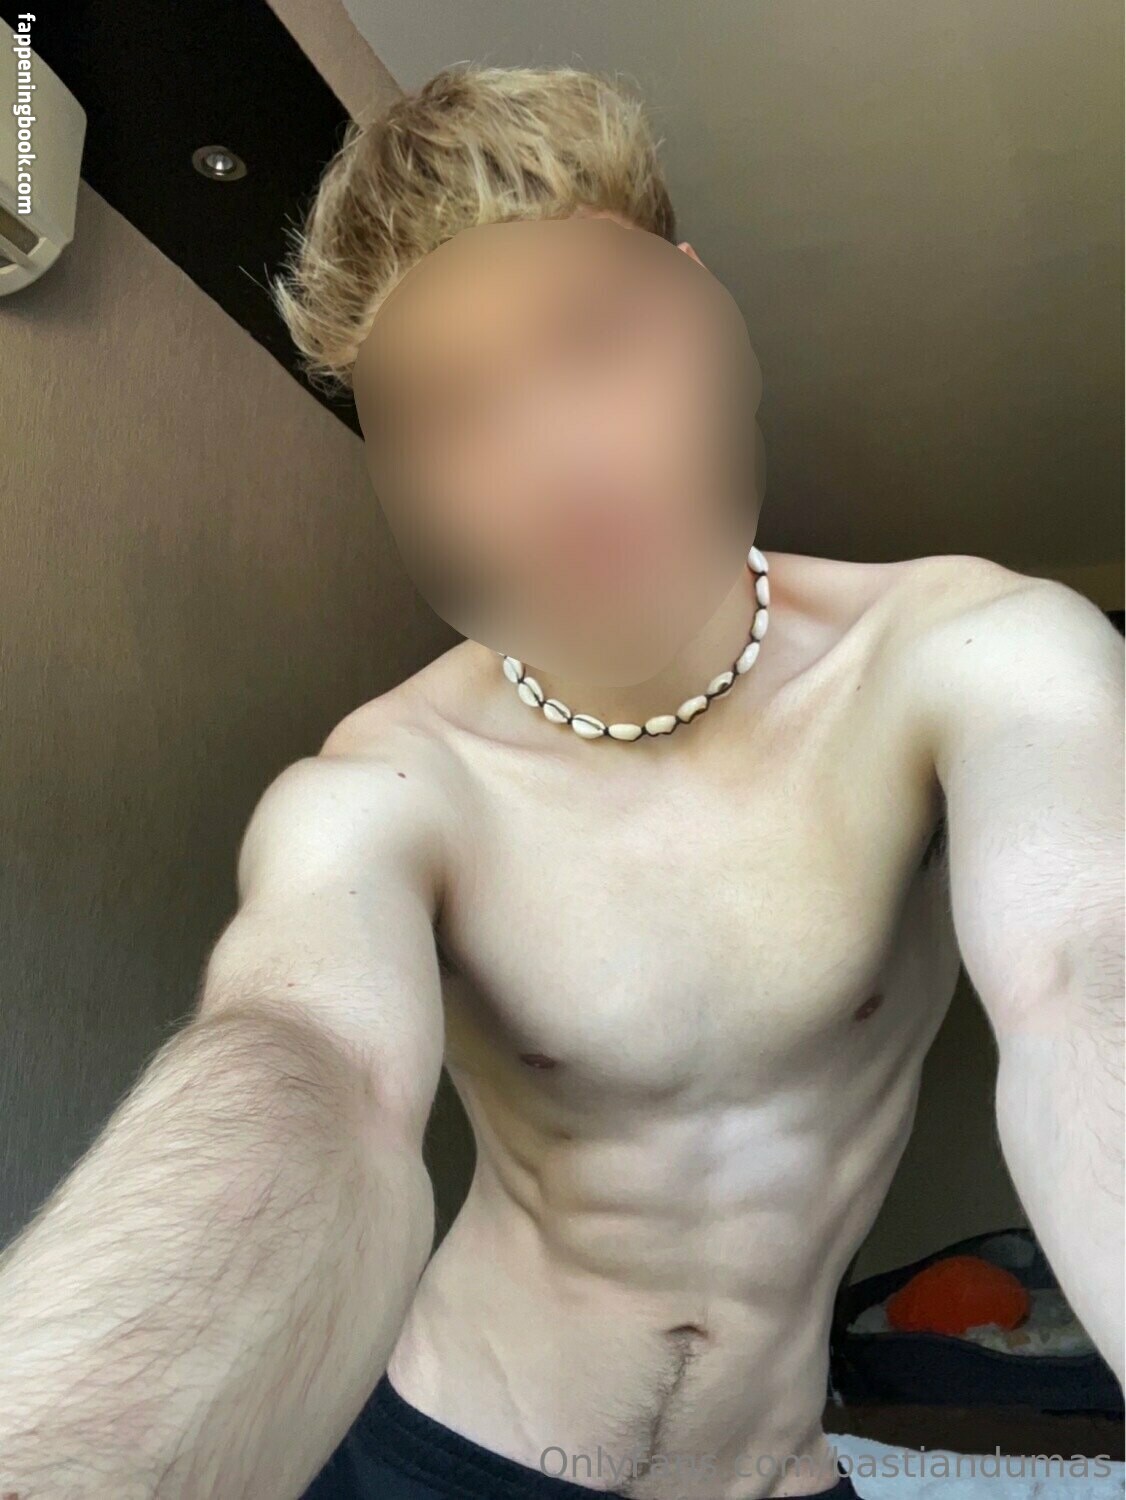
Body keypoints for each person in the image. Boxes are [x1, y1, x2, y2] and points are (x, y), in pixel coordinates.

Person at [0, 61, 1122, 1500]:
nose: (550, 457)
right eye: (451, 410)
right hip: (442, 1452)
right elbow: (313, 1068)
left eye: (594, 340)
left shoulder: (970, 653)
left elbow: (1085, 968)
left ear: (699, 308)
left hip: (774, 1470)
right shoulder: (389, 783)